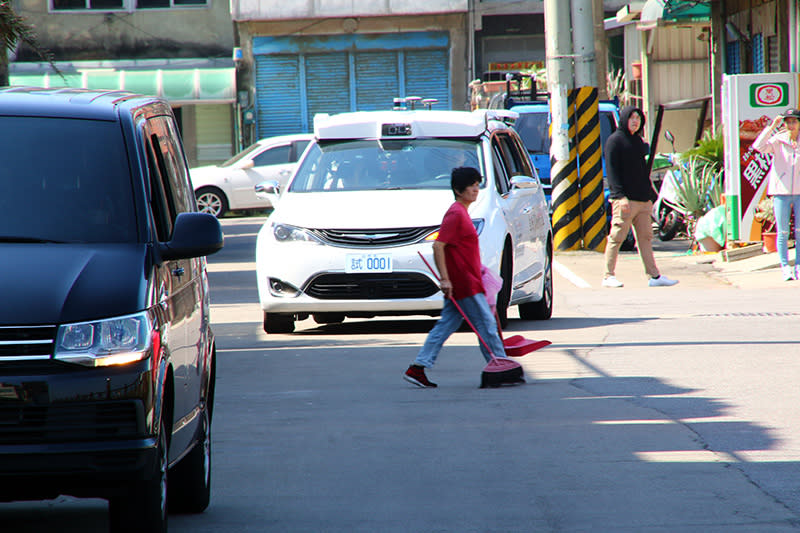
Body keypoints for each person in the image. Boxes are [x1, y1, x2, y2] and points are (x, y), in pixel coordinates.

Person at [404, 166, 511, 388]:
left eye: (476, 184)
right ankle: (502, 366)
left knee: (445, 326)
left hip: (465, 281)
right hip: (464, 284)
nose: (475, 189)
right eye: (471, 185)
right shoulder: (455, 214)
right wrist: (445, 279)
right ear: (458, 189)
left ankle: (418, 368)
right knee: (487, 325)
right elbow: (438, 246)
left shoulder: (461, 212)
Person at [602, 106, 679, 288]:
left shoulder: (638, 141)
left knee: (645, 237)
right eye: (631, 118)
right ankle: (608, 275)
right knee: (617, 237)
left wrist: (650, 197)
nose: (635, 121)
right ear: (624, 119)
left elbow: (642, 172)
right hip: (625, 200)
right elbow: (612, 172)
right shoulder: (614, 141)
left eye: (638, 118)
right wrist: (619, 197)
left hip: (642, 200)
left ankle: (654, 276)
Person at [752, 107, 800, 280]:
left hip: (799, 192)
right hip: (781, 191)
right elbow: (758, 146)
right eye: (788, 122)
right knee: (783, 231)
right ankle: (785, 266)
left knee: (799, 230)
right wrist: (772, 127)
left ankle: (799, 265)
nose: (791, 125)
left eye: (794, 121)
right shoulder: (778, 140)